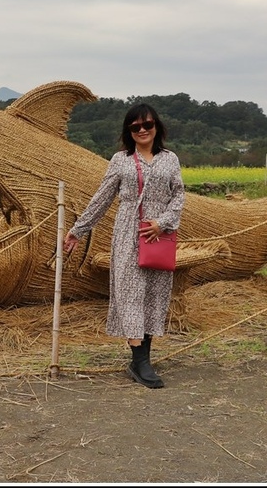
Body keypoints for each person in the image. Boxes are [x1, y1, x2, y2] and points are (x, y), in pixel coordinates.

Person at [63, 103, 185, 388]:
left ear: (157, 127)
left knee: (153, 294)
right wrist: (77, 231)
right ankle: (140, 361)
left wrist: (163, 223)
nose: (142, 130)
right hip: (128, 234)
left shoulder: (170, 159)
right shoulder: (121, 160)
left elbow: (179, 196)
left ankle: (142, 359)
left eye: (148, 125)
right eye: (135, 127)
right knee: (130, 294)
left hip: (159, 235)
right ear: (128, 131)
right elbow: (102, 198)